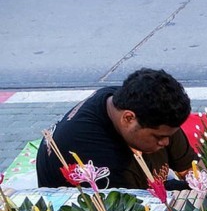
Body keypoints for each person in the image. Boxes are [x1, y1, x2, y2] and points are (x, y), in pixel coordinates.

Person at [37, 68, 196, 189]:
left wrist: (199, 181)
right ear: (128, 118)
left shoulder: (126, 100)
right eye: (158, 137)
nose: (166, 142)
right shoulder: (101, 158)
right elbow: (138, 207)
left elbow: (192, 168)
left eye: (170, 135)